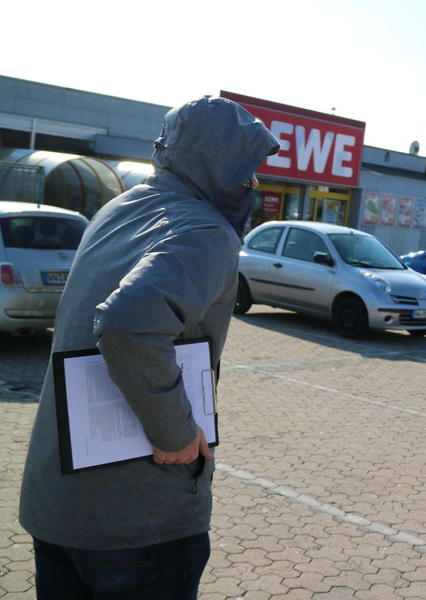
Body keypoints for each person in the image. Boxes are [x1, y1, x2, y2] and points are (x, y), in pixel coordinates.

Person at [18, 96, 279, 599]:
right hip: (137, 524)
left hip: (58, 507)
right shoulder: (207, 232)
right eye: (250, 170)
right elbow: (127, 323)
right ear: (221, 164)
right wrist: (176, 435)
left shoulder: (118, 209)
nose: (254, 184)